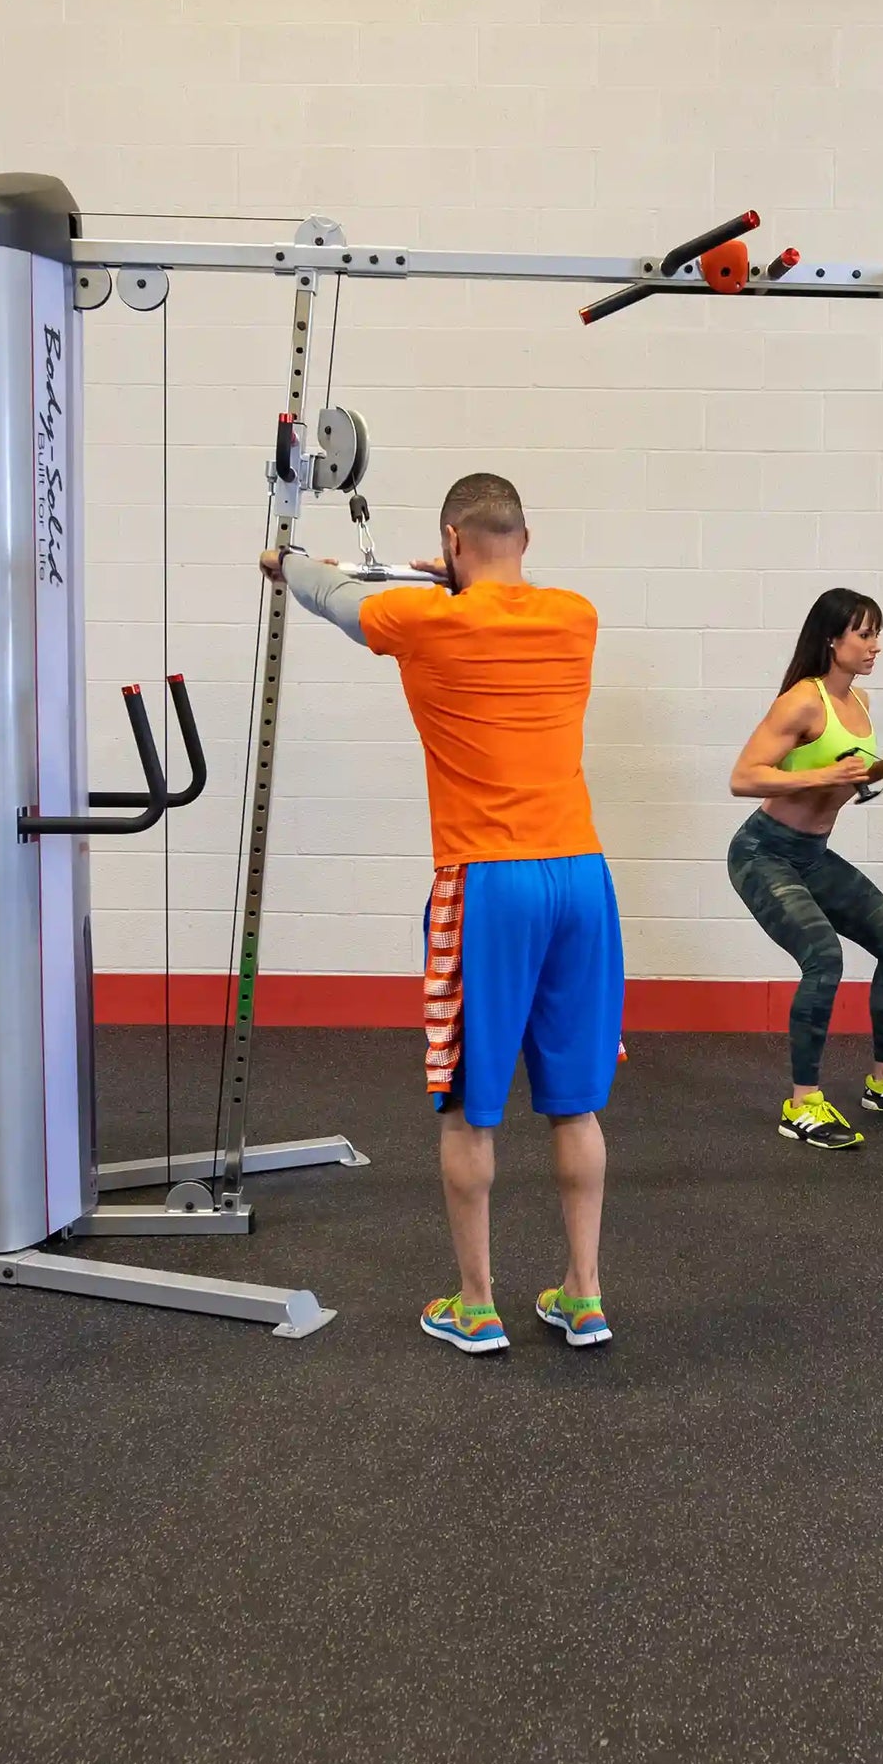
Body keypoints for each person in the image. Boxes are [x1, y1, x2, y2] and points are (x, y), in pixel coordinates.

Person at [262, 472, 621, 1356]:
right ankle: (584, 1295)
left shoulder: (426, 621)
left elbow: (333, 595)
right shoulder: (576, 615)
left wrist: (284, 561)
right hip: (581, 876)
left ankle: (477, 1303)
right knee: (575, 1108)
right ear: (525, 539)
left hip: (489, 883)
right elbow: (502, 601)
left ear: (454, 540)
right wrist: (456, 576)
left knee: (466, 1107)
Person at [727, 588, 883, 1150]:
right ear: (832, 638)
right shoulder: (803, 701)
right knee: (824, 957)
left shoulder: (862, 703)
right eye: (864, 634)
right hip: (764, 852)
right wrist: (820, 778)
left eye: (877, 634)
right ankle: (801, 1104)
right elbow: (745, 777)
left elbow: (848, 772)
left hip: (812, 855)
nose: (875, 646)